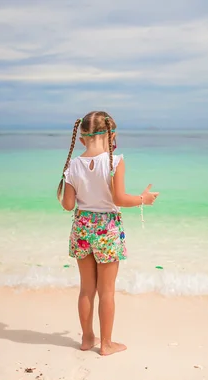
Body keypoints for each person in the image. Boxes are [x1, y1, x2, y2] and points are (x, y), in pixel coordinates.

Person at [56, 111, 159, 356]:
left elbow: (68, 205)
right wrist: (143, 199)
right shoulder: (115, 161)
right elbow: (120, 199)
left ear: (81, 140)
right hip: (107, 229)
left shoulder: (72, 164)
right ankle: (106, 344)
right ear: (112, 135)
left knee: (85, 289)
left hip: (81, 226)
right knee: (107, 291)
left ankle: (86, 338)